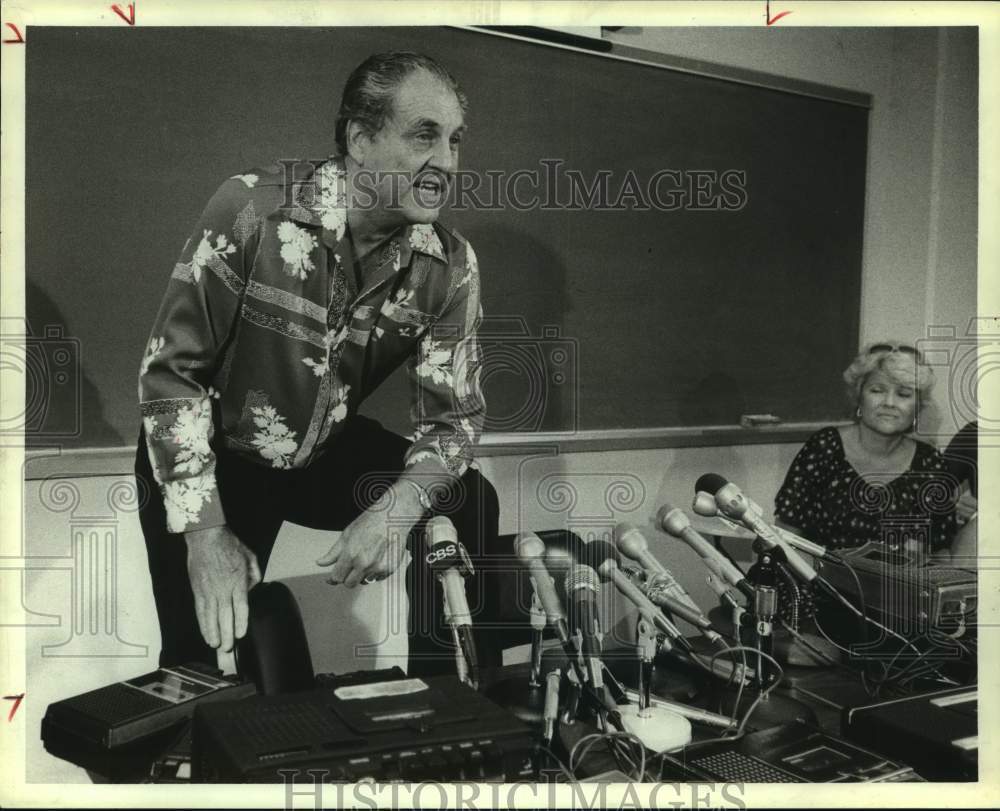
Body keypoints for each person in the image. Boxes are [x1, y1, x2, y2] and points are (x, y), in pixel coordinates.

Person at [135, 51, 502, 676]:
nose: (446, 162)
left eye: (455, 140)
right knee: (209, 664)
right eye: (424, 135)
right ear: (360, 139)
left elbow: (455, 424)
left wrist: (394, 511)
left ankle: (450, 707)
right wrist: (203, 534)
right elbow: (172, 376)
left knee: (467, 499)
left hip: (323, 451)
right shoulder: (250, 209)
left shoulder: (450, 267)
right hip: (218, 454)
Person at [774, 342, 958, 557]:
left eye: (904, 394)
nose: (889, 403)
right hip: (818, 583)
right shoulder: (824, 447)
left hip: (896, 590)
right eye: (877, 390)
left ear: (918, 406)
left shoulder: (931, 464)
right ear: (859, 396)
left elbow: (940, 553)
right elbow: (786, 536)